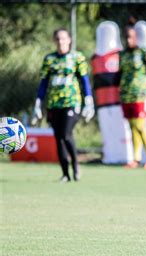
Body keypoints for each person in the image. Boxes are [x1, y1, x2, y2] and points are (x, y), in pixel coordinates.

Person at [33, 28, 95, 182]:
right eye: (58, 39)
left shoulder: (77, 58)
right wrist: (38, 103)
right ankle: (65, 174)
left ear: (69, 40)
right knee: (58, 138)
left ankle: (75, 165)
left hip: (71, 103)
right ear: (55, 41)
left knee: (66, 134)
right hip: (54, 104)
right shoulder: (49, 59)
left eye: (63, 38)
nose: (61, 42)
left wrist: (89, 101)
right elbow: (44, 83)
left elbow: (84, 80)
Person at [119, 21, 146, 170]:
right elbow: (119, 74)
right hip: (126, 95)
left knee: (141, 126)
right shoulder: (122, 55)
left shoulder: (143, 53)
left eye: (131, 37)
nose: (129, 40)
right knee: (132, 127)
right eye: (126, 37)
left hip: (140, 95)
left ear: (136, 38)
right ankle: (136, 158)